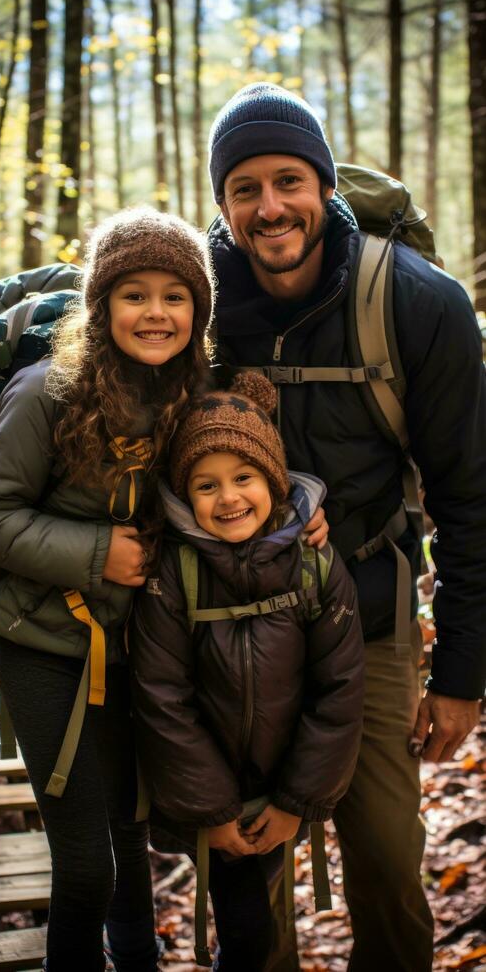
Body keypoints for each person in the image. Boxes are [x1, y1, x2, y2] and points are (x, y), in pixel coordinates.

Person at [204, 82, 486, 971]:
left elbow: (469, 497)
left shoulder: (417, 303)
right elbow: (91, 405)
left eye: (289, 181)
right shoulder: (191, 304)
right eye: (243, 188)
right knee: (247, 874)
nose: (269, 207)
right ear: (221, 202)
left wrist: (462, 675)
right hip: (229, 625)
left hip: (365, 608)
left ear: (325, 186)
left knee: (387, 863)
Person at [0, 206, 216, 972]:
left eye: (175, 295)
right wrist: (99, 552)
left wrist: (299, 516)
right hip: (41, 644)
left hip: (139, 650)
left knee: (129, 839)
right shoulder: (48, 391)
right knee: (86, 867)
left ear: (197, 310)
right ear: (101, 305)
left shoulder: (197, 394)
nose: (155, 312)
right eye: (133, 293)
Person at [130, 370, 364, 972]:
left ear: (273, 480)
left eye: (244, 478)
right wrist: (214, 811)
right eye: (206, 485)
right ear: (185, 494)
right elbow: (162, 697)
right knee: (247, 933)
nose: (229, 498)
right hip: (219, 797)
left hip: (282, 786)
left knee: (258, 925)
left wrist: (296, 801)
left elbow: (338, 690)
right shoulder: (173, 576)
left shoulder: (314, 566)